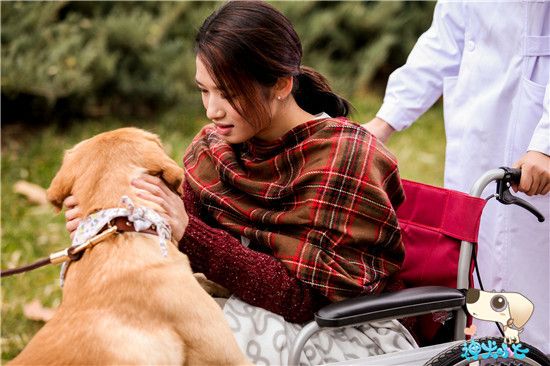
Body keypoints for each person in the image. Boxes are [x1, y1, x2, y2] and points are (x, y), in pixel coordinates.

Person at [64, 1, 416, 364]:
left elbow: (304, 300)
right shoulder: (213, 148)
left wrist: (189, 233)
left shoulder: (346, 157)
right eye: (204, 90)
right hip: (246, 306)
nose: (212, 110)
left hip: (340, 332)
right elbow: (178, 241)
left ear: (280, 85)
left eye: (229, 94)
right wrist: (117, 221)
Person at [363, 0, 550, 352]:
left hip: (532, 120)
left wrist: (545, 143)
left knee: (531, 280)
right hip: (480, 119)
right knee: (479, 263)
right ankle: (494, 355)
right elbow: (445, 40)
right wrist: (384, 122)